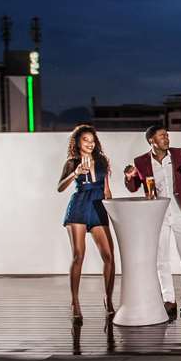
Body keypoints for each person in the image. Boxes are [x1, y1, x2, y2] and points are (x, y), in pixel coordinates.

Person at [124, 124, 181, 316]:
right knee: (161, 260)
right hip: (158, 215)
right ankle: (169, 300)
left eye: (167, 135)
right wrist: (129, 177)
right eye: (162, 136)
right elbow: (133, 188)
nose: (166, 138)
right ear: (152, 140)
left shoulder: (179, 154)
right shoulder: (141, 161)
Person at [57, 124, 115, 321]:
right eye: (85, 140)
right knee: (78, 256)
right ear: (78, 142)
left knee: (109, 256)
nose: (90, 143)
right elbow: (60, 187)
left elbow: (107, 189)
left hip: (98, 206)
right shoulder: (72, 162)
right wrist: (75, 173)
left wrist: (112, 211)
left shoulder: (102, 161)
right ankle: (75, 302)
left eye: (92, 140)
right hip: (79, 207)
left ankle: (108, 298)